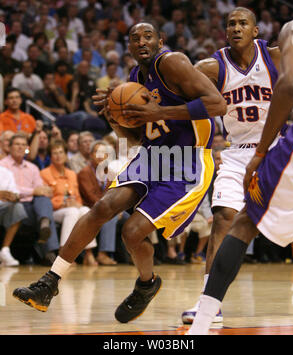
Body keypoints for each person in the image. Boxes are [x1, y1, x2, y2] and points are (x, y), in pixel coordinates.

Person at [12, 22, 226, 321]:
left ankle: (146, 284)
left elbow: (218, 104)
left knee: (132, 232)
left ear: (159, 40)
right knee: (103, 206)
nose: (141, 41)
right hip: (152, 156)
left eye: (148, 36)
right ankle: (49, 283)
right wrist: (115, 116)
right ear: (128, 46)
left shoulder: (173, 62)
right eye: (134, 37)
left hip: (186, 162)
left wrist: (160, 112)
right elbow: (136, 139)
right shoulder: (136, 77)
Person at [187, 15, 293, 335]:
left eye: (242, 23)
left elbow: (290, 86)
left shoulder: (278, 54)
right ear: (225, 31)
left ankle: (204, 317)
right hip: (237, 153)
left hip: (277, 147)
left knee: (246, 224)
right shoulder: (210, 67)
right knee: (225, 217)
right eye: (230, 24)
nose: (236, 28)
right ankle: (208, 303)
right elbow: (190, 101)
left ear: (255, 31)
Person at [0, 133, 59, 265]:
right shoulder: (3, 166)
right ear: (9, 147)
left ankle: (44, 224)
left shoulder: (32, 167)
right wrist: (33, 191)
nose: (20, 148)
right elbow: (10, 191)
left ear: (27, 148)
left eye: (23, 145)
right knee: (42, 208)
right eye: (17, 144)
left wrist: (44, 190)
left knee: (44, 200)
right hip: (11, 206)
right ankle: (49, 252)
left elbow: (40, 188)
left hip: (33, 207)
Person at [40, 139, 97, 266]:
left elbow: (77, 197)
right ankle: (63, 254)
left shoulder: (71, 174)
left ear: (66, 155)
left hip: (72, 208)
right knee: (72, 212)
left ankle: (89, 253)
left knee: (85, 211)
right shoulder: (44, 173)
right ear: (50, 156)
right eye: (55, 153)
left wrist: (77, 204)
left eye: (61, 152)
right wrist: (62, 204)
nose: (58, 155)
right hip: (55, 211)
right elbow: (44, 200)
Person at [77, 139, 118, 265]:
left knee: (132, 216)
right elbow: (90, 197)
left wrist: (117, 208)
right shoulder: (84, 172)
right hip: (90, 207)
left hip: (108, 206)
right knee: (110, 217)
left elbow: (115, 193)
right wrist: (110, 208)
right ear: (90, 155)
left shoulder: (110, 172)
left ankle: (134, 253)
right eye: (97, 152)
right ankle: (103, 254)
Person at [0, 165, 28, 266]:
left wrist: (13, 196)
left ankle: (5, 250)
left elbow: (15, 193)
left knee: (18, 207)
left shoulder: (6, 172)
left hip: (3, 207)